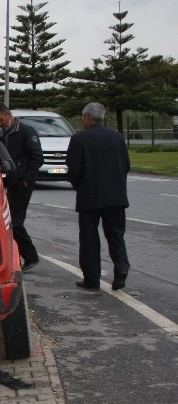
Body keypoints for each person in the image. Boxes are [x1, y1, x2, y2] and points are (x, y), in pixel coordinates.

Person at [66, 102, 130, 290]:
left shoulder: (79, 138)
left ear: (87, 117)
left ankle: (92, 278)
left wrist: (79, 186)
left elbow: (73, 169)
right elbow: (126, 165)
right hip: (116, 196)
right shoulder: (117, 137)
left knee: (89, 238)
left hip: (89, 195)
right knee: (116, 234)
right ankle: (121, 267)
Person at [0, 103, 43, 271]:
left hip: (22, 182)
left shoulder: (26, 132)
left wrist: (27, 178)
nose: (0, 123)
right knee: (10, 221)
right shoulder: (2, 136)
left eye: (1, 119)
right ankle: (21, 255)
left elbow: (37, 157)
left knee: (16, 222)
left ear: (8, 114)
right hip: (11, 182)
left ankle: (30, 256)